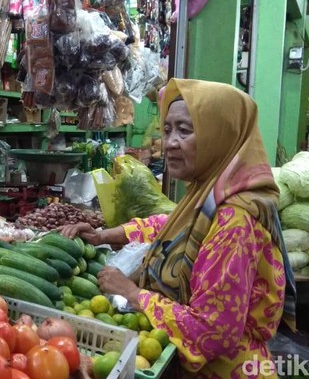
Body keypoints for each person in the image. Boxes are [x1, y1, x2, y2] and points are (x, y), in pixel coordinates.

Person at [61, 78, 296, 378]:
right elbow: (172, 225)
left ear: (220, 135)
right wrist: (106, 235)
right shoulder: (211, 191)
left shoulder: (236, 219)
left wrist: (133, 293)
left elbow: (213, 331)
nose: (170, 142)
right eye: (168, 129)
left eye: (185, 130)